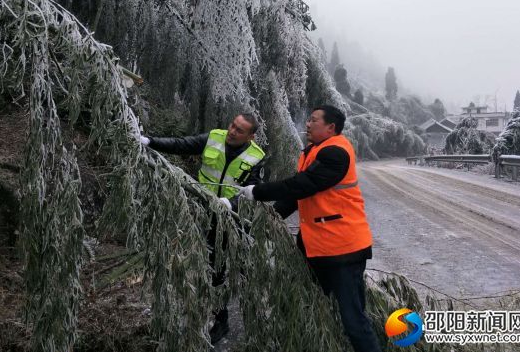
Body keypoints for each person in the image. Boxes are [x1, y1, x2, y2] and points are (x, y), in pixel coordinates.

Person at [236, 105, 381, 352]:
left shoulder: (336, 152)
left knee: (353, 320)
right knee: (314, 304)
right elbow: (299, 196)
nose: (308, 124)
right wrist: (270, 218)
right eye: (309, 120)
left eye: (314, 120)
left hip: (343, 251)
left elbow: (304, 185)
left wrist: (258, 192)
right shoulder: (314, 151)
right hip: (318, 248)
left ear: (330, 127)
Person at [140, 113, 265, 344]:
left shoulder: (256, 157)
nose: (232, 131)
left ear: (251, 136)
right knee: (213, 266)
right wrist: (150, 141)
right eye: (232, 125)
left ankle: (247, 319)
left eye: (239, 130)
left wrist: (232, 203)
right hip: (206, 213)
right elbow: (182, 145)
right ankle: (220, 318)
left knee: (234, 267)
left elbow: (254, 190)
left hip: (234, 219)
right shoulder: (214, 138)